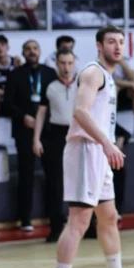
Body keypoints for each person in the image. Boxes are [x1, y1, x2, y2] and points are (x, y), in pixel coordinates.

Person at [45, 26, 134, 268]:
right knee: (79, 221)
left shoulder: (108, 76)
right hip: (85, 150)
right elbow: (79, 111)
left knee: (109, 216)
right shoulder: (93, 72)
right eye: (111, 42)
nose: (117, 47)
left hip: (98, 154)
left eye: (120, 42)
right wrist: (107, 143)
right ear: (98, 46)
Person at [4, 40, 59, 231]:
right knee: (25, 176)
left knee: (53, 175)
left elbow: (56, 100)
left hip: (48, 132)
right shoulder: (15, 74)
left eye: (35, 48)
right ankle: (25, 218)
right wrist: (23, 117)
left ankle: (56, 216)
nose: (32, 52)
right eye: (28, 49)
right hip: (24, 131)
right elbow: (7, 103)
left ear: (40, 51)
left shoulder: (50, 73)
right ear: (23, 52)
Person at [34, 49, 79, 243]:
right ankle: (55, 227)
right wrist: (36, 139)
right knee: (54, 183)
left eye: (69, 63)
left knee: (83, 181)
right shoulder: (50, 86)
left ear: (74, 63)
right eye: (62, 63)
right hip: (55, 136)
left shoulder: (83, 84)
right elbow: (41, 113)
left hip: (78, 134)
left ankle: (88, 225)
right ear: (57, 64)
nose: (66, 67)